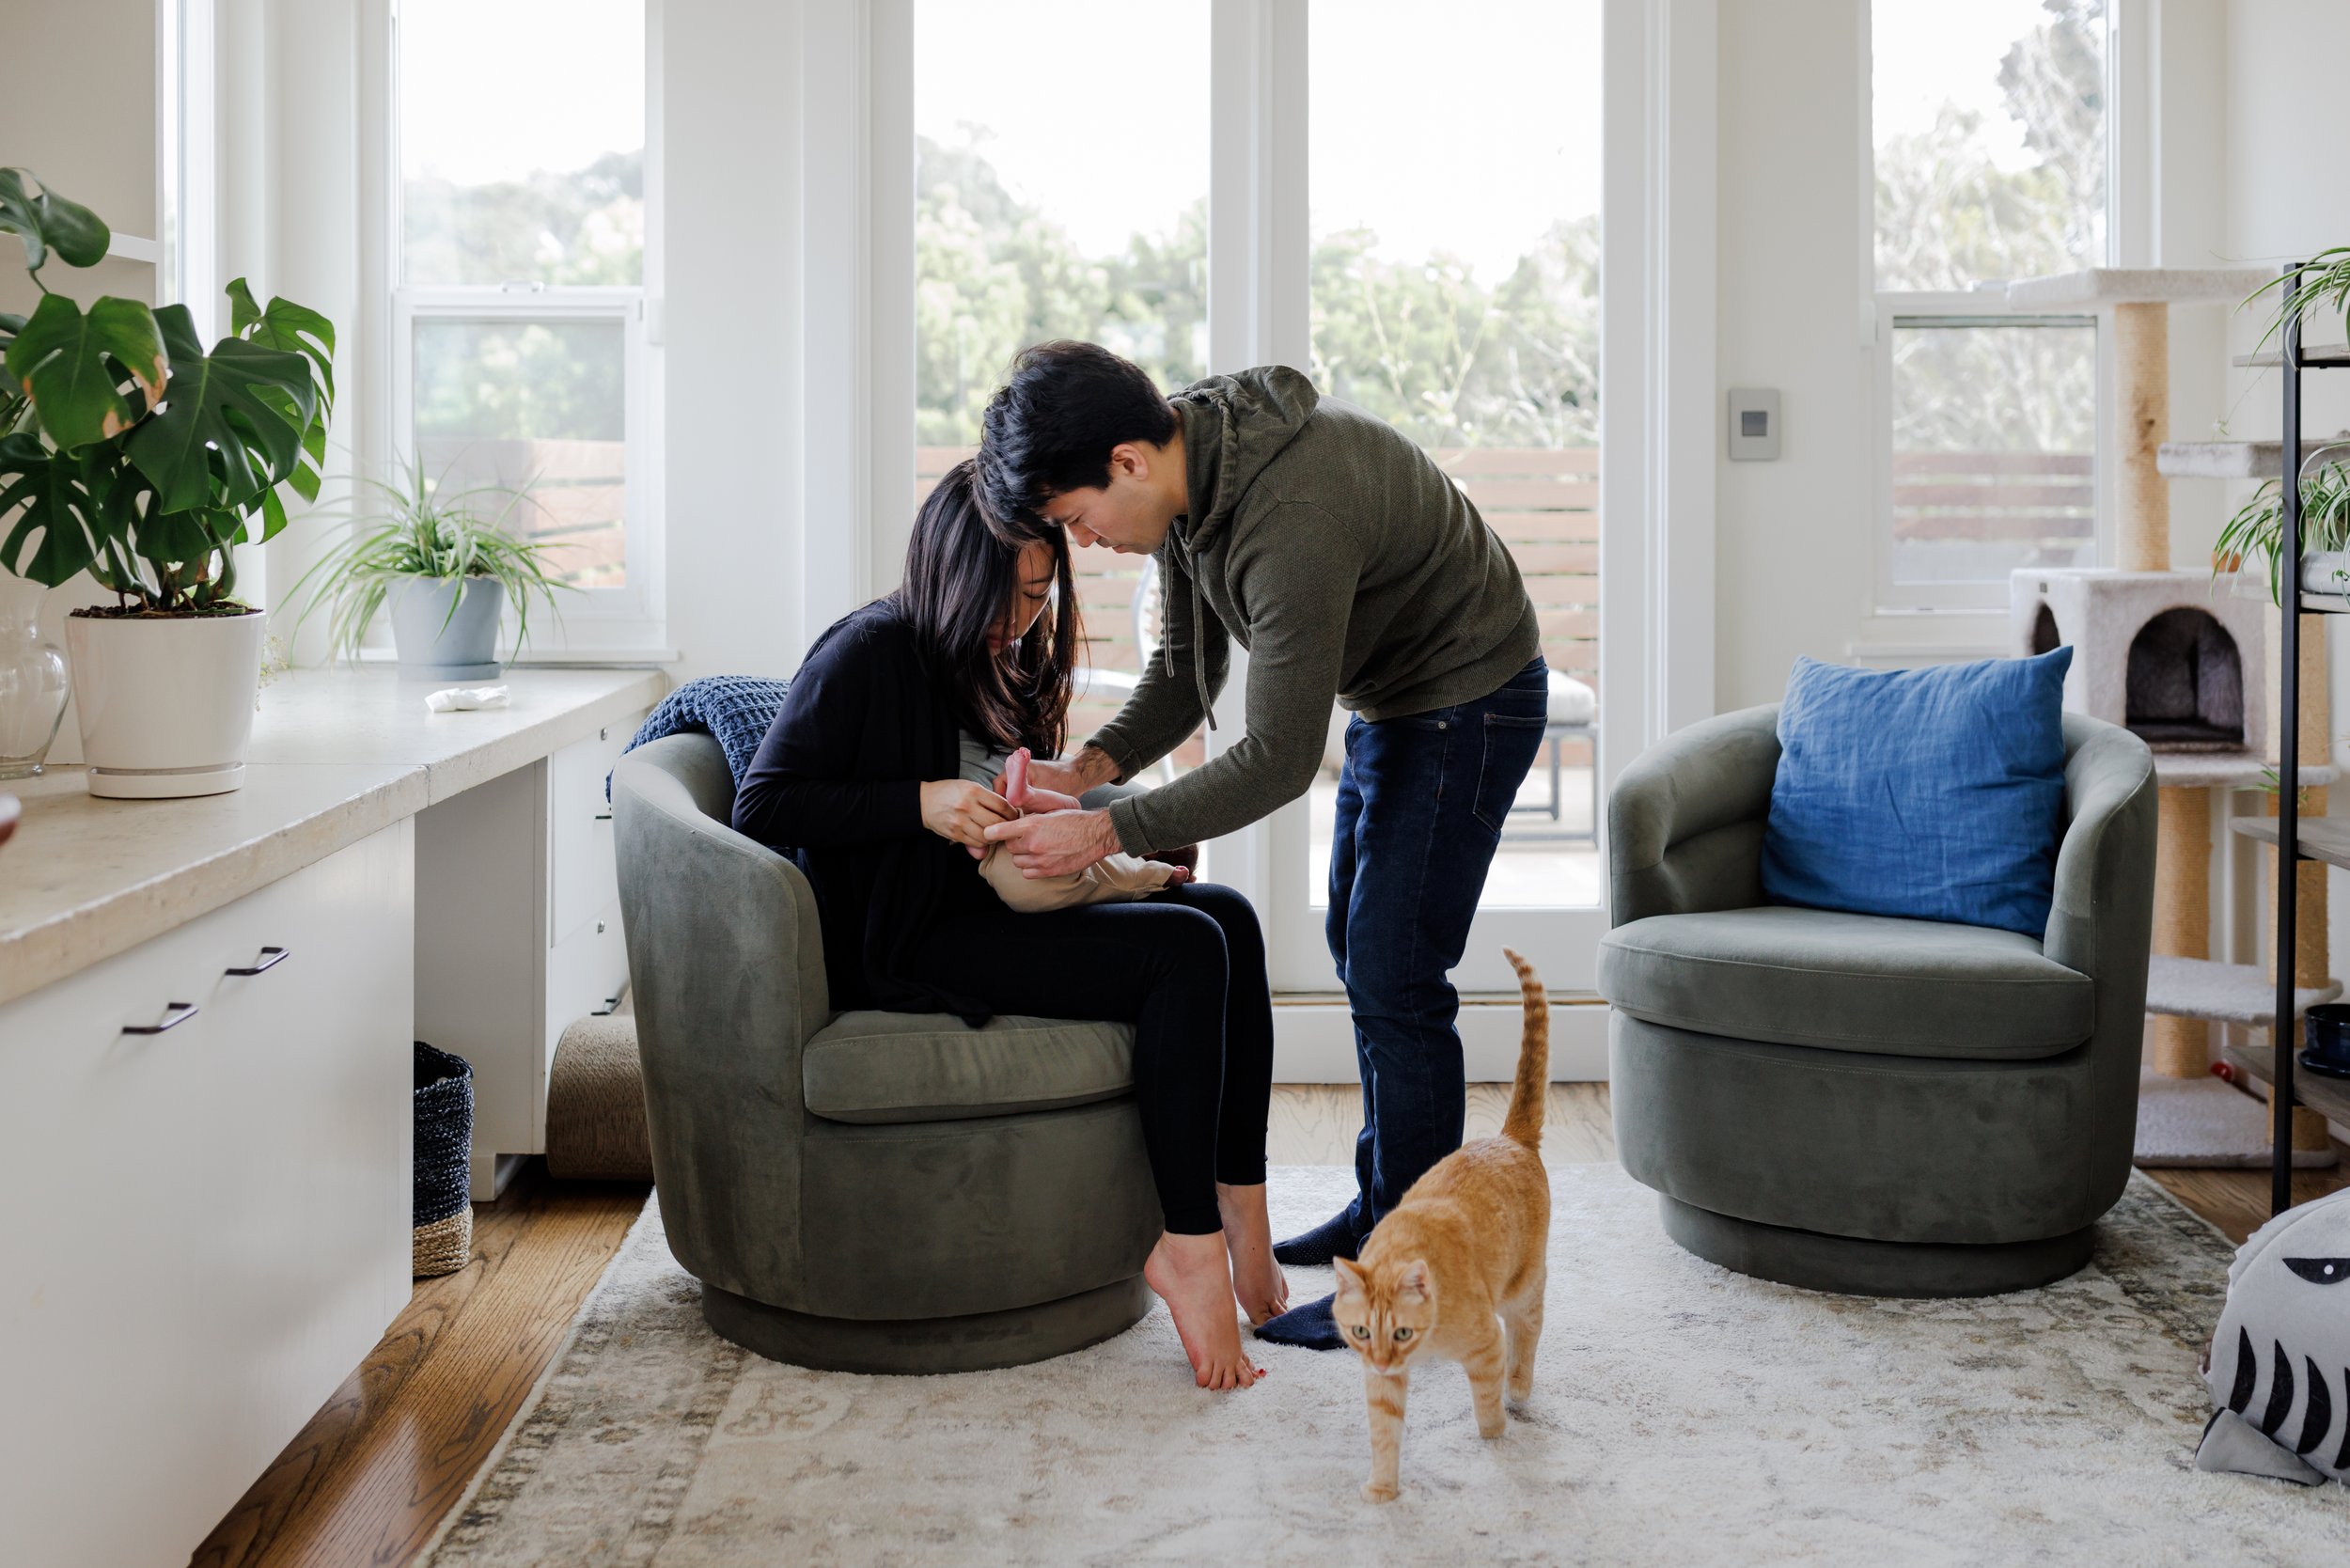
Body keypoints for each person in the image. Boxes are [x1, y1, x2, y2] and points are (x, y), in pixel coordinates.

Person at [975, 342, 1547, 1351]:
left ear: (1127, 462)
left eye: (1075, 519)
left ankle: (1407, 1277)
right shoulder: (1191, 489)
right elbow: (1186, 676)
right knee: (1364, 957)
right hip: (1396, 698)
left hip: (1469, 696)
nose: (1089, 543)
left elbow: (1280, 757)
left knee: (1396, 971)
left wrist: (1102, 829)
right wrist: (1085, 770)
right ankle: (1381, 1212)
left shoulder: (1291, 516)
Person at [730, 459, 1285, 1390]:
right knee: (1185, 950)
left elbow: (1011, 782)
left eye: (1034, 596)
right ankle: (1186, 1247)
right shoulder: (868, 650)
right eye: (999, 599)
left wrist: (1047, 808)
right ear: (945, 576)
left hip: (989, 901)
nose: (1016, 621)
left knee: (1229, 914)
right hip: (915, 934)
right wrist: (920, 803)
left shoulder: (1009, 655)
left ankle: (1242, 1208)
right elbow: (764, 807)